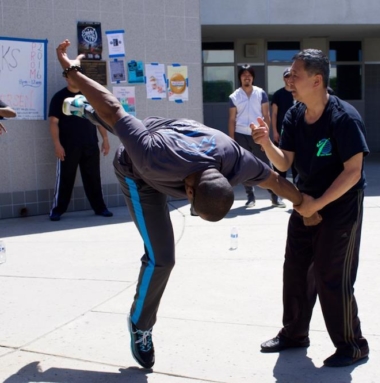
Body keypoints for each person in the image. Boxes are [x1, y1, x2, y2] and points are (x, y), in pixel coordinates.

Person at [55, 39, 321, 370]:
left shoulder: (237, 160)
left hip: (160, 137)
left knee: (125, 126)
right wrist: (72, 70)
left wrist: (304, 205)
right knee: (161, 257)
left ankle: (82, 108)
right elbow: (112, 107)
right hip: (138, 173)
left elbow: (276, 181)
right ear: (189, 194)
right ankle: (141, 325)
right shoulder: (151, 156)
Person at [252, 49, 370, 368]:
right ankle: (294, 334)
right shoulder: (294, 114)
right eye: (287, 75)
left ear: (317, 80)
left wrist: (316, 204)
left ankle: (353, 345)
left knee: (332, 276)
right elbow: (285, 162)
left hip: (341, 204)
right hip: (305, 201)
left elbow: (353, 171)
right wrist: (265, 144)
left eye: (294, 75)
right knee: (296, 271)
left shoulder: (343, 117)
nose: (288, 79)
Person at [48, 78, 113, 221]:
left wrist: (105, 139)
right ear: (66, 78)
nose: (74, 79)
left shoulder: (89, 96)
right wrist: (57, 144)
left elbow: (99, 119)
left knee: (93, 177)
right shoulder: (59, 97)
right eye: (70, 76)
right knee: (65, 178)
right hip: (67, 146)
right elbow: (53, 122)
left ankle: (100, 207)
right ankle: (57, 210)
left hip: (90, 144)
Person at [228, 64, 286, 208]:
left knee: (267, 164)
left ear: (252, 77)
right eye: (244, 75)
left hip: (258, 133)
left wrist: (266, 137)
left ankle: (274, 196)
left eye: (249, 75)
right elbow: (232, 119)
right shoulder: (234, 96)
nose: (247, 77)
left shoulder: (261, 93)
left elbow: (266, 115)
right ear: (240, 77)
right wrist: (232, 140)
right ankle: (250, 196)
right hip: (241, 134)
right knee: (244, 166)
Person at [271, 67, 296, 183]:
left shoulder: (299, 93)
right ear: (283, 79)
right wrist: (275, 132)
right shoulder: (278, 94)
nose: (289, 79)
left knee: (297, 165)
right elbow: (274, 114)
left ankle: (299, 190)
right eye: (286, 76)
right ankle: (277, 194)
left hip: (297, 135)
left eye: (291, 76)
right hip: (281, 135)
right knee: (280, 165)